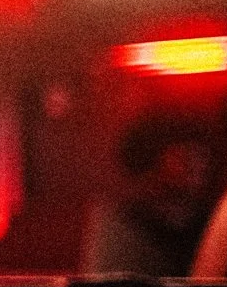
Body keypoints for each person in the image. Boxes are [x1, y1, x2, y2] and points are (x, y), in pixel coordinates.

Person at [81, 112, 216, 278]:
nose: (198, 165)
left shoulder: (212, 221)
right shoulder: (123, 226)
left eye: (202, 155)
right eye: (185, 155)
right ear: (152, 160)